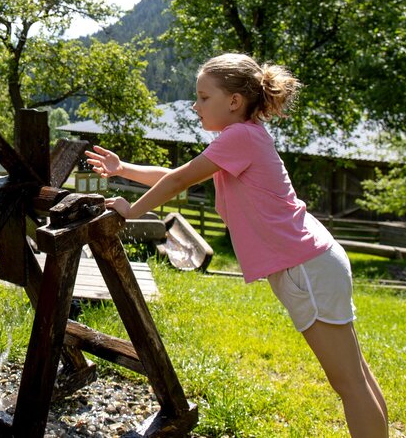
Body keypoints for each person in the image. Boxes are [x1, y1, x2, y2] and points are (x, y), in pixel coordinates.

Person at [86, 53, 388, 438]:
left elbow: (178, 181)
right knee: (356, 377)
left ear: (234, 101)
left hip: (307, 269)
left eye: (203, 97)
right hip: (314, 263)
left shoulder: (241, 137)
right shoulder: (241, 139)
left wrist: (131, 211)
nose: (195, 106)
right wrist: (122, 169)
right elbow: (179, 175)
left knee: (349, 383)